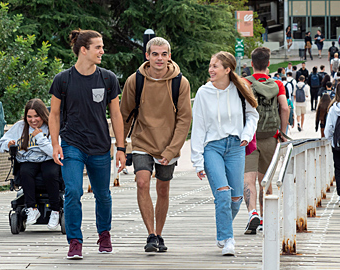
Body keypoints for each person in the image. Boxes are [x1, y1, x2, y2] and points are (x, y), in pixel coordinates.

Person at [49, 29, 126, 259]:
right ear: (84, 50)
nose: (102, 51)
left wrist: (120, 148)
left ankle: (104, 234)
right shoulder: (63, 80)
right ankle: (75, 241)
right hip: (72, 144)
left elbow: (116, 114)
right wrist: (55, 144)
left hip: (101, 146)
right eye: (98, 47)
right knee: (73, 191)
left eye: (102, 47)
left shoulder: (108, 78)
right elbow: (53, 115)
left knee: (103, 194)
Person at [120, 37, 192, 252]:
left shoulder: (181, 82)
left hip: (169, 144)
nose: (159, 58)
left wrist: (171, 150)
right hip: (142, 141)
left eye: (163, 54)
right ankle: (150, 234)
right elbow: (125, 115)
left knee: (163, 188)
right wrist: (121, 147)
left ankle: (159, 234)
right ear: (147, 56)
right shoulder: (135, 81)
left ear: (169, 56)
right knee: (142, 182)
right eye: (155, 54)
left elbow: (184, 119)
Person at [191, 51, 259, 255]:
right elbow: (199, 127)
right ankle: (227, 238)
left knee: (236, 197)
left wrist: (246, 134)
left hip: (236, 147)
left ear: (227, 69)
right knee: (222, 193)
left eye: (215, 66)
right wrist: (197, 161)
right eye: (210, 65)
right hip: (212, 147)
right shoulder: (203, 93)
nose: (211, 70)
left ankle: (223, 228)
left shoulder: (240, 89)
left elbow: (252, 115)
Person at [243, 47, 289, 234]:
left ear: (252, 64)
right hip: (270, 136)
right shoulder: (277, 84)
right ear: (268, 64)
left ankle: (252, 213)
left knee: (249, 178)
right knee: (265, 179)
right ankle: (265, 218)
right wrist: (283, 133)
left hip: (249, 138)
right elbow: (284, 108)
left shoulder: (244, 83)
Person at [0, 99, 61, 229]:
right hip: (28, 160)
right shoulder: (20, 126)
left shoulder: (51, 126)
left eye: (36, 116)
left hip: (48, 159)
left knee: (50, 172)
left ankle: (55, 210)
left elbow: (55, 152)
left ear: (43, 115)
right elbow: (1, 144)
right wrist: (8, 144)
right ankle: (32, 208)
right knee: (25, 172)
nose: (33, 120)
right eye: (29, 117)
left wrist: (40, 138)